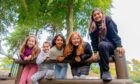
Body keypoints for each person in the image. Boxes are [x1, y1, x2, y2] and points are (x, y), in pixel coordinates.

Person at [89, 8, 125, 81]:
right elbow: (94, 41)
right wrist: (95, 52)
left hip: (111, 45)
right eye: (94, 15)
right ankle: (104, 75)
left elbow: (114, 33)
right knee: (101, 48)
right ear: (93, 17)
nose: (97, 16)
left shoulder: (108, 20)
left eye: (98, 14)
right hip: (102, 49)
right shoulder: (93, 27)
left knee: (102, 44)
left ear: (102, 14)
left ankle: (106, 71)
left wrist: (119, 45)